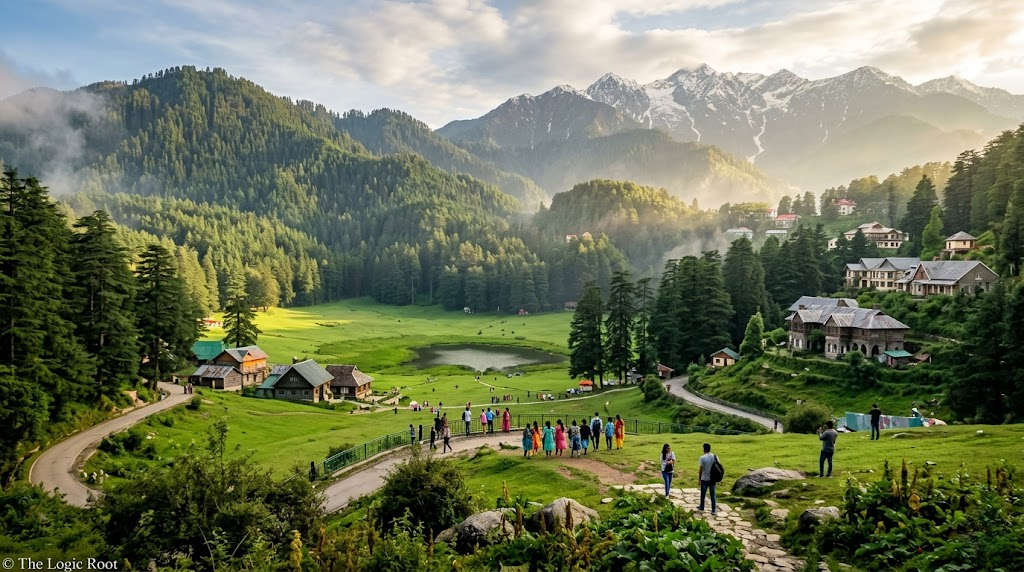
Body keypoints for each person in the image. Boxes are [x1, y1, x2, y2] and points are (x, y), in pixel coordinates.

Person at [697, 443, 717, 514]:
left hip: (704, 478)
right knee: (712, 494)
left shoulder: (702, 458)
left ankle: (702, 506)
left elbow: (701, 469)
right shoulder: (715, 456)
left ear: (704, 449)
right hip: (712, 478)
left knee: (703, 494)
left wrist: (699, 479)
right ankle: (713, 509)